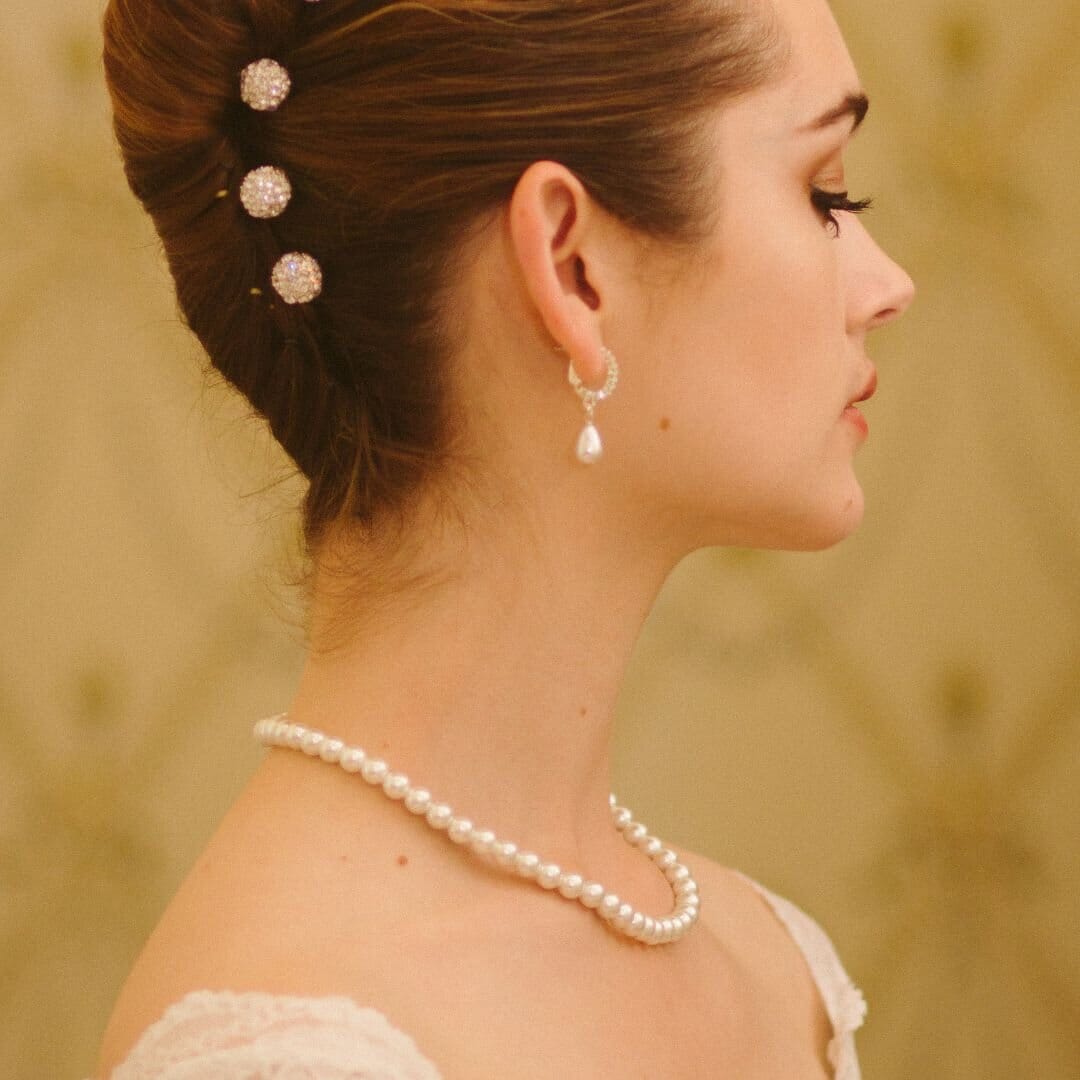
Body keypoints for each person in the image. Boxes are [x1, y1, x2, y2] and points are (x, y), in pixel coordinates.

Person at [94, 0, 914, 1075]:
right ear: (574, 268)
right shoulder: (289, 1053)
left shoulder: (778, 960)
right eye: (824, 194)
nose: (888, 287)